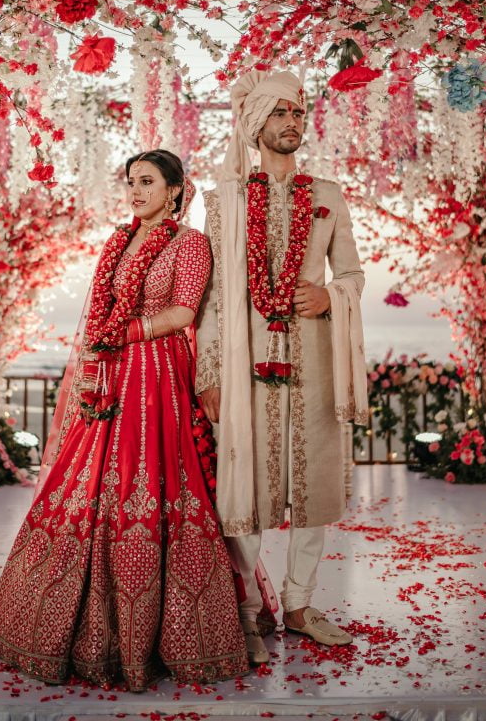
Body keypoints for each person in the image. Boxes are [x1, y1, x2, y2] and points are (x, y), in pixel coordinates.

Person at [0, 149, 248, 690]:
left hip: (157, 379)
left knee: (147, 480)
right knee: (87, 483)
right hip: (111, 379)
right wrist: (100, 353)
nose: (136, 191)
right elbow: (101, 313)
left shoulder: (189, 243)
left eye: (147, 182)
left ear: (176, 189)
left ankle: (165, 635)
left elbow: (184, 312)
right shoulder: (118, 242)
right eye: (131, 182)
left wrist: (127, 335)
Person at [195, 71, 368, 665]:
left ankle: (298, 605)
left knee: (312, 483)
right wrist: (209, 373)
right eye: (281, 114)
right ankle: (247, 611)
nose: (293, 123)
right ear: (256, 124)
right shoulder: (223, 201)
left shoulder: (328, 195)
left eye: (299, 113)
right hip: (246, 365)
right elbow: (213, 295)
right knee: (244, 481)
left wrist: (331, 296)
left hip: (312, 361)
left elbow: (351, 274)